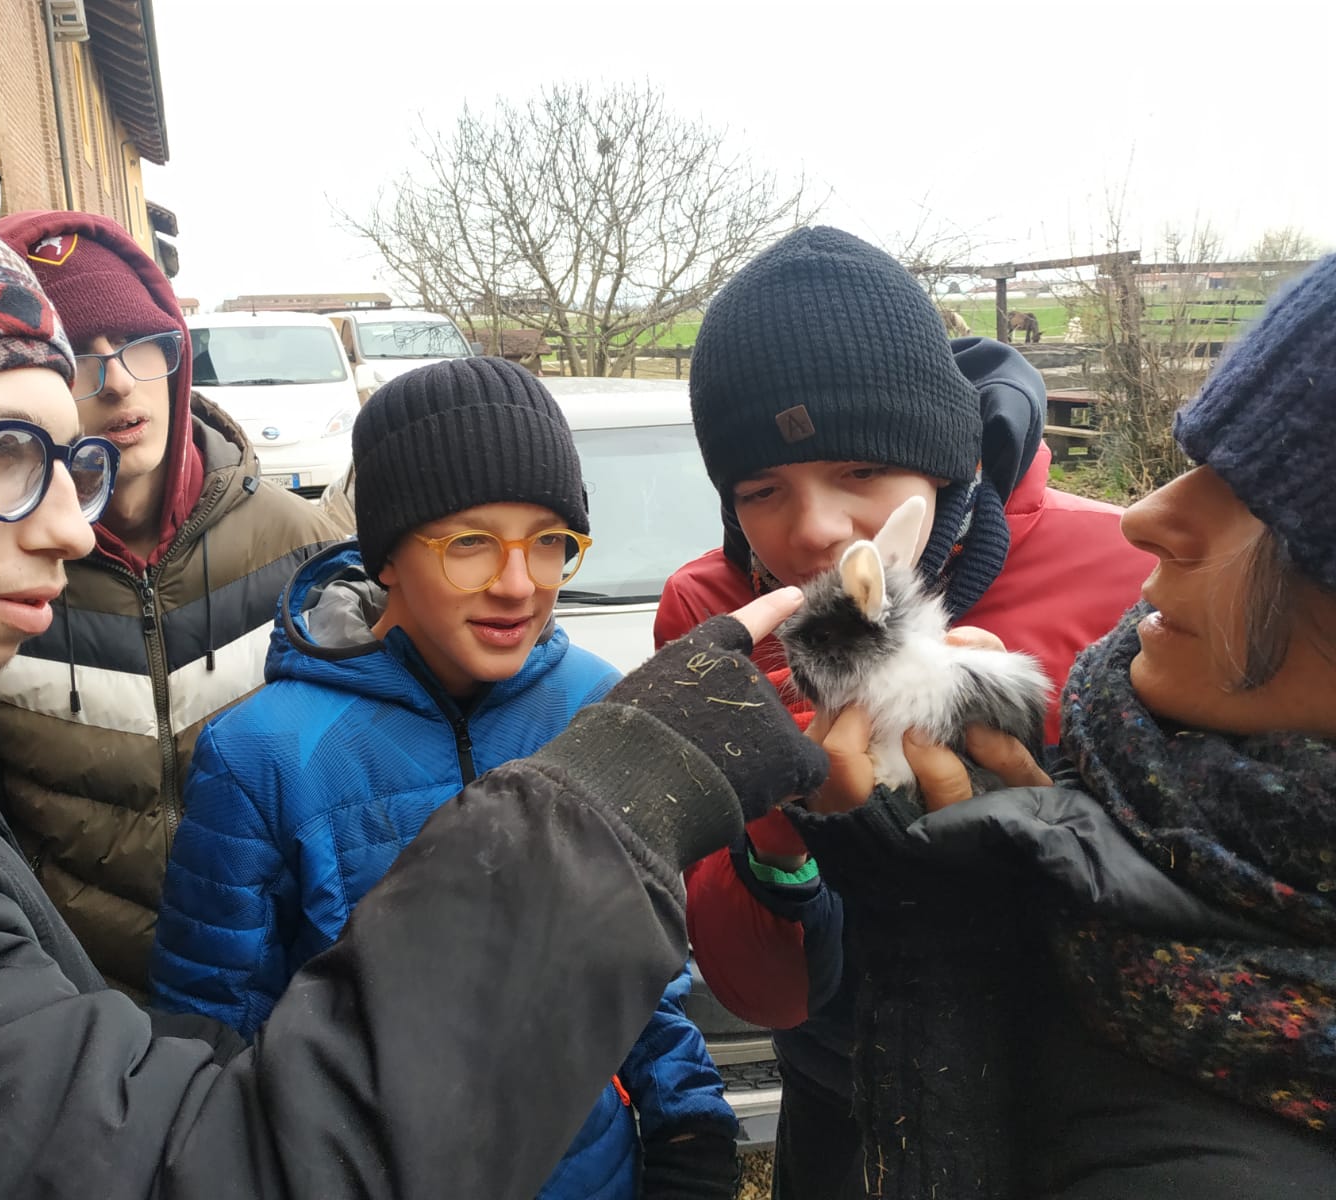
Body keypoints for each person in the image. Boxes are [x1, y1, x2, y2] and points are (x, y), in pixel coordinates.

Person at [0, 150, 828, 1198]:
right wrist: (613, 803)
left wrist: (684, 1122)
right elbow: (207, 1088)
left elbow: (645, 995)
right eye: (4, 452)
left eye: (553, 544)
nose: (70, 528)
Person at [783, 250, 1336, 1197]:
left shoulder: (1233, 1138)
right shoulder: (1134, 761)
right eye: (1197, 463)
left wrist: (941, 950)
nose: (1145, 514)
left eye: (1273, 504)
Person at [151, 356, 742, 1199]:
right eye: (470, 543)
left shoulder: (596, 708)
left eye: (549, 542)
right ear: (387, 556)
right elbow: (213, 1034)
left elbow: (637, 973)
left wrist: (689, 1125)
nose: (518, 584)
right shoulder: (262, 757)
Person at [653, 227, 1154, 1198]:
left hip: (1074, 1094)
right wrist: (780, 825)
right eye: (760, 489)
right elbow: (759, 991)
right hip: (840, 1086)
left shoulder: (1126, 572)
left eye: (861, 472)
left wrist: (1052, 823)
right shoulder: (715, 614)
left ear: (942, 460)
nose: (812, 530)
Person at [0, 210, 340, 995]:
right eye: (78, 355)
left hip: (279, 992)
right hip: (84, 1001)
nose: (117, 382)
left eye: (142, 344)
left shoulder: (299, 545)